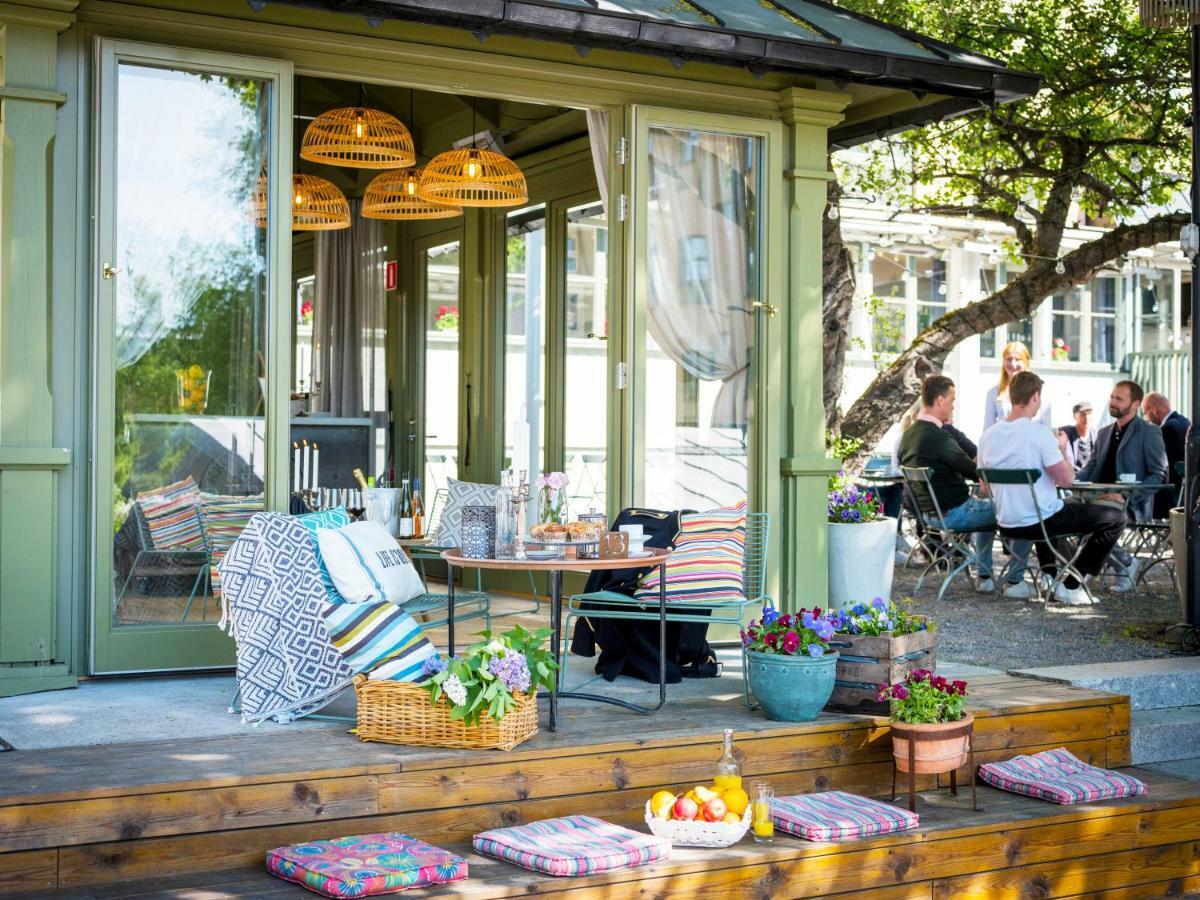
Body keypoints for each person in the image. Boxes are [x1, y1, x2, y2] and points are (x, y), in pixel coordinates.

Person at [978, 372, 1127, 606]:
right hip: (1040, 521)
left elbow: (984, 488)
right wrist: (1060, 448)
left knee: (1048, 508)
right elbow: (1067, 480)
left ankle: (1051, 578)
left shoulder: (987, 436)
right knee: (1115, 518)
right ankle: (1072, 584)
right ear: (1035, 396)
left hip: (1006, 522)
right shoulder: (1039, 434)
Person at [898, 375, 1031, 598]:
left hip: (929, 516)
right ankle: (1016, 581)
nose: (953, 406)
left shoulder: (908, 436)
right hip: (956, 513)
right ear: (940, 400)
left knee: (988, 514)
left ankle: (985, 577)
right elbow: (975, 471)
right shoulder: (939, 438)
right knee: (1025, 512)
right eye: (952, 400)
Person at [1075, 380, 1167, 589]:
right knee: (1055, 513)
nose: (1112, 402)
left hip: (1128, 503)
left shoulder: (1149, 432)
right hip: (1095, 497)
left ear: (1135, 404)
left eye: (1119, 399)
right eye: (1112, 397)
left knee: (1092, 520)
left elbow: (1158, 475)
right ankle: (1078, 569)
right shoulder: (1104, 432)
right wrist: (1072, 482)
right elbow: (1091, 466)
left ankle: (1124, 564)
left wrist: (1126, 497)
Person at [984, 341, 1052, 433]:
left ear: (1026, 362)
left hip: (1033, 444)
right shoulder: (993, 393)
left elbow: (1046, 427)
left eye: (1018, 359)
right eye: (1009, 359)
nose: (1013, 364)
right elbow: (988, 430)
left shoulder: (1041, 390)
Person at [1142, 391, 1190, 518]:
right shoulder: (1185, 422)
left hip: (1172, 498)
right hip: (1186, 494)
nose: (1146, 418)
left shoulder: (1167, 429)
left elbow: (1160, 466)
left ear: (1153, 409)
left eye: (1145, 413)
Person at [1060, 401, 1097, 473]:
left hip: (1091, 479)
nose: (1086, 418)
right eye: (1082, 415)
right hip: (1073, 478)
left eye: (1089, 414)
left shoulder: (1096, 435)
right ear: (1075, 416)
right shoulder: (1067, 434)